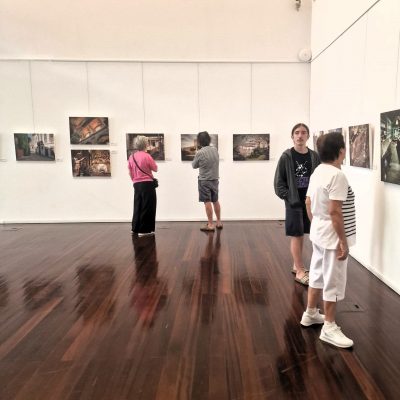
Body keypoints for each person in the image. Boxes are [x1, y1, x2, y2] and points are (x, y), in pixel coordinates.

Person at [300, 132, 356, 348]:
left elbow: (308, 202)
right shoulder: (337, 175)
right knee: (333, 279)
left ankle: (310, 313)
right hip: (332, 235)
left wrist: (316, 223)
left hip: (319, 231)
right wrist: (343, 241)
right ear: (341, 151)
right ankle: (329, 327)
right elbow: (335, 211)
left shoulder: (318, 171)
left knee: (317, 272)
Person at [274, 123, 320, 285]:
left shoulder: (314, 156)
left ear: (308, 136)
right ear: (292, 136)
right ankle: (300, 271)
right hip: (294, 203)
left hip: (310, 202)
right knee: (297, 234)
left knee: (306, 233)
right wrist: (289, 197)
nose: (300, 136)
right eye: (297, 133)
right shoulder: (286, 157)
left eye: (303, 132)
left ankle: (296, 264)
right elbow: (278, 183)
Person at [128, 135, 158, 237]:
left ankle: (135, 228)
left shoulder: (131, 157)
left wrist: (135, 180)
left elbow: (130, 172)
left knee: (138, 205)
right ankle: (144, 230)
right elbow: (155, 168)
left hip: (136, 184)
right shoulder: (147, 156)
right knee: (148, 205)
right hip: (147, 184)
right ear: (145, 144)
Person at [192, 131, 222, 231]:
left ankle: (210, 224)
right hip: (215, 179)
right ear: (208, 139)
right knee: (215, 200)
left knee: (207, 201)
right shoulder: (215, 149)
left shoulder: (200, 152)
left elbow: (194, 165)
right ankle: (219, 222)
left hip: (204, 180)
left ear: (199, 141)